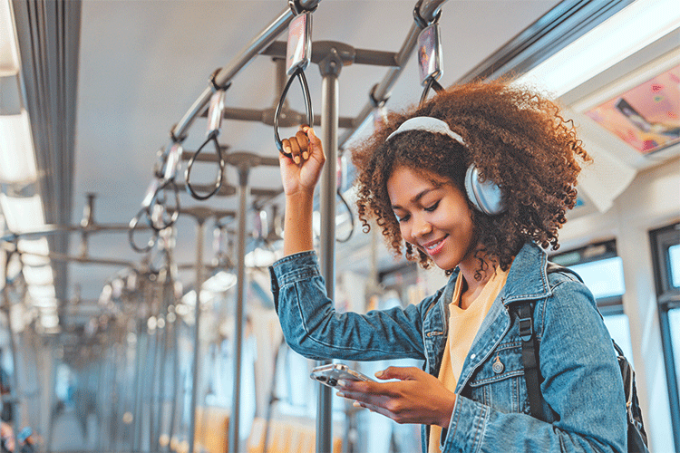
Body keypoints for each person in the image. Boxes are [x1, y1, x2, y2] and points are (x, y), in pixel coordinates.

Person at [269, 79, 627, 452]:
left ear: (482, 189)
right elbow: (312, 332)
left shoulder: (555, 303)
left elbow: (599, 448)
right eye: (403, 215)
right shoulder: (436, 316)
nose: (418, 229)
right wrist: (298, 196)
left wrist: (449, 413)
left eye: (431, 204)